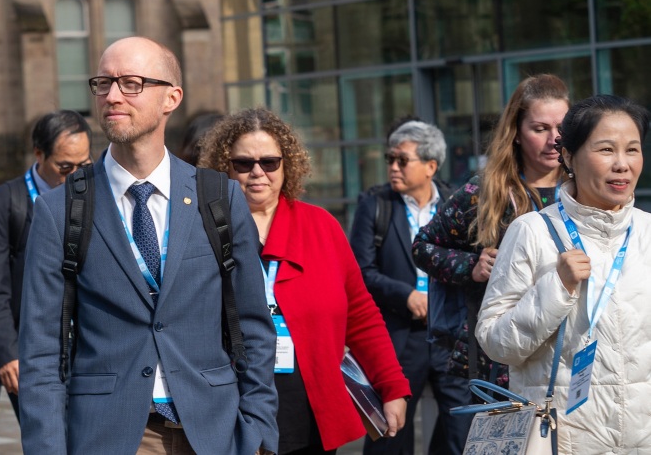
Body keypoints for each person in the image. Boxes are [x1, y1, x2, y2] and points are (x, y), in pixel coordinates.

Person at [19, 37, 278, 454]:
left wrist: (258, 431)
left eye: (132, 83)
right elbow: (40, 352)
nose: (113, 95)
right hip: (114, 435)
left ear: (171, 98)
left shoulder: (219, 198)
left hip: (213, 431)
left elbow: (253, 326)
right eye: (104, 83)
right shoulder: (60, 209)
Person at [198, 107, 410, 453]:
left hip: (308, 407)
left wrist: (392, 386)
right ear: (224, 166)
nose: (257, 173)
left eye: (269, 162)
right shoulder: (200, 228)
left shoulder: (321, 226)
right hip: (230, 404)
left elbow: (361, 315)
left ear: (287, 164)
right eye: (243, 163)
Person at [477, 95, 651, 452]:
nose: (622, 165)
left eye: (632, 150)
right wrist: (556, 287)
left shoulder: (647, 233)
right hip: (563, 439)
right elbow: (496, 343)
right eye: (606, 150)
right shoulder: (531, 232)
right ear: (569, 156)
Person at [412, 74, 569, 387]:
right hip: (505, 367)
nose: (555, 139)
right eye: (540, 129)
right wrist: (472, 266)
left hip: (570, 358)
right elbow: (423, 246)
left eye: (562, 128)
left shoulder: (584, 188)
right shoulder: (485, 191)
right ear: (516, 133)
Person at [348, 120, 468, 455]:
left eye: (402, 160)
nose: (393, 167)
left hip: (448, 335)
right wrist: (406, 295)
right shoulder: (375, 205)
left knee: (460, 428)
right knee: (391, 433)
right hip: (400, 337)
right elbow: (360, 272)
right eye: (390, 159)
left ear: (431, 166)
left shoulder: (455, 205)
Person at [0, 110, 91, 416]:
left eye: (84, 165)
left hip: (91, 347)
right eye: (65, 167)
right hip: (34, 352)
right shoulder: (2, 204)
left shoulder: (96, 194)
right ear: (39, 154)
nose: (76, 175)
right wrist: (6, 354)